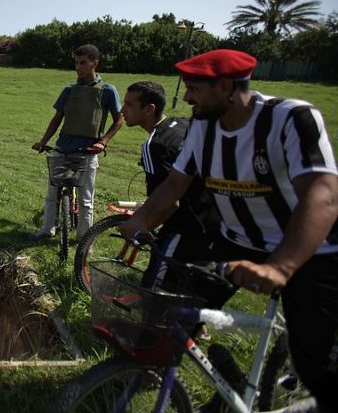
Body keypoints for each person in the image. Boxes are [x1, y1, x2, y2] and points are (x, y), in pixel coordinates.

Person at [120, 49, 338, 411]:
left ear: (225, 86)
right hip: (234, 242)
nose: (186, 97)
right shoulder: (202, 126)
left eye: (194, 89)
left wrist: (279, 267)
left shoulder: (291, 118)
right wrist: (141, 218)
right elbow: (175, 185)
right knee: (176, 314)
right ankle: (215, 386)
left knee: (313, 365)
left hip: (310, 250)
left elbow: (322, 197)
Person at [121, 81, 219, 284]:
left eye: (129, 104)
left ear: (149, 109)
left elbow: (170, 202)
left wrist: (141, 229)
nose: (122, 110)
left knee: (153, 291)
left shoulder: (154, 144)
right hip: (214, 221)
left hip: (184, 227)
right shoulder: (181, 123)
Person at [31, 44, 124, 241]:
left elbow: (119, 119)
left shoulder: (107, 91)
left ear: (94, 63)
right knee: (52, 195)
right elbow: (57, 119)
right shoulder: (69, 90)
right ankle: (47, 230)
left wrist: (104, 142)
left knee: (85, 201)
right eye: (76, 63)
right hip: (62, 149)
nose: (78, 67)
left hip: (87, 153)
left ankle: (84, 240)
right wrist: (43, 141)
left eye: (83, 63)